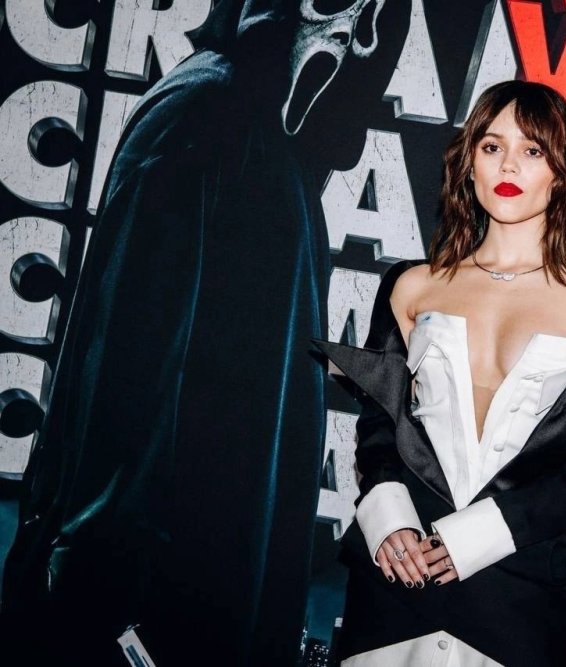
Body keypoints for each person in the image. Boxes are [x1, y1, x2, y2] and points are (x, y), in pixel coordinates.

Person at [0, 1, 409, 665]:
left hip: (201, 599)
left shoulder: (266, 140)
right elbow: (127, 384)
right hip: (155, 612)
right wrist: (101, 601)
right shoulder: (211, 118)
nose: (367, 41)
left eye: (386, 18)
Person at [316, 80, 566, 666]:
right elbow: (379, 426)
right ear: (469, 162)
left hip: (515, 598)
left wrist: (480, 534)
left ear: (562, 172)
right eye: (492, 146)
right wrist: (389, 521)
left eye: (533, 150)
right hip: (395, 586)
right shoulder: (413, 285)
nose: (508, 165)